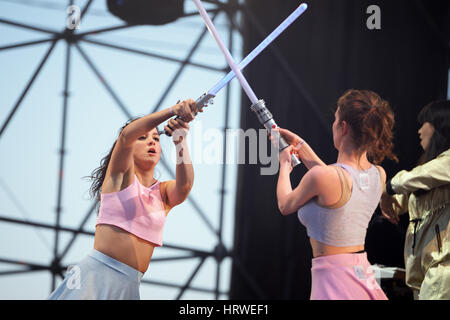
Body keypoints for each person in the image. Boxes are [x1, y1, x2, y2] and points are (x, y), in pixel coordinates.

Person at [48, 99, 199, 299]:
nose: (151, 141)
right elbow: (127, 135)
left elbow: (185, 186)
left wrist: (180, 139)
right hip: (95, 277)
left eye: (156, 138)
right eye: (143, 138)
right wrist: (172, 110)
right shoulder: (120, 177)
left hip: (129, 285)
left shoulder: (162, 193)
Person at [273, 89, 398, 300]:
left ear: (343, 127)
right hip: (361, 276)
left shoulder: (326, 178)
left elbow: (285, 204)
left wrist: (284, 164)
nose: (333, 124)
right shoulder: (379, 174)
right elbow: (338, 183)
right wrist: (300, 145)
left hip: (335, 282)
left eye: (335, 119)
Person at [380, 100, 450, 300]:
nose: (419, 131)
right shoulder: (431, 173)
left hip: (442, 269)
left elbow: (413, 178)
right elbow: (405, 199)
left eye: (424, 123)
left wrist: (388, 189)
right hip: (422, 273)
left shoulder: (444, 164)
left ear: (440, 125)